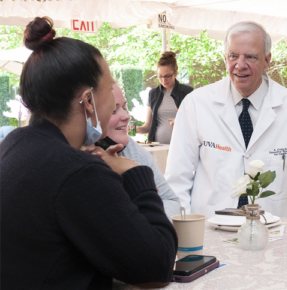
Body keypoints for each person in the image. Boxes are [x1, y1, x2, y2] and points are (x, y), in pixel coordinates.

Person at [1, 17, 177, 290]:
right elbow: (157, 268)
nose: (119, 109)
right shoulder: (76, 171)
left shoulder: (15, 144)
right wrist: (135, 174)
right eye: (109, 89)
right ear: (88, 101)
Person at [165, 21, 287, 219]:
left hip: (271, 233)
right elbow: (177, 179)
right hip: (209, 231)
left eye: (251, 57)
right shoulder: (197, 103)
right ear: (225, 58)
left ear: (267, 61)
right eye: (233, 56)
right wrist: (185, 234)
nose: (240, 65)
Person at [88, 82, 181, 220]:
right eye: (113, 110)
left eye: (125, 107)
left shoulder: (132, 150)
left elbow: (172, 202)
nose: (126, 116)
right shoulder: (78, 161)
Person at [136, 51, 193, 144]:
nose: (163, 80)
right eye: (160, 76)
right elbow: (148, 125)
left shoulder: (188, 93)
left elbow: (196, 123)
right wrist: (138, 129)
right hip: (158, 148)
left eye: (167, 76)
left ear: (175, 73)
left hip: (182, 147)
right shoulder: (153, 94)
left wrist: (180, 122)